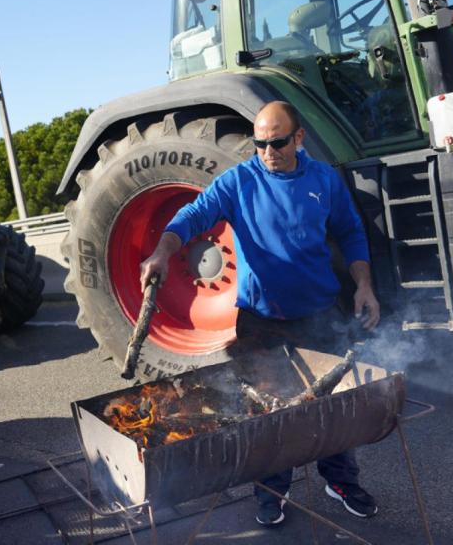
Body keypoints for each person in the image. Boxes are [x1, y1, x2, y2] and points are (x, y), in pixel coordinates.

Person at [140, 101, 381, 527]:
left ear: (299, 138)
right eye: (260, 144)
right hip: (260, 319)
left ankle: (340, 480)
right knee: (271, 412)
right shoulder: (239, 181)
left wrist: (364, 286)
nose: (268, 152)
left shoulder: (323, 179)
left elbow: (350, 232)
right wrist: (161, 252)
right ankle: (273, 490)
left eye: (278, 143)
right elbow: (192, 216)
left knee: (331, 406)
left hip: (319, 313)